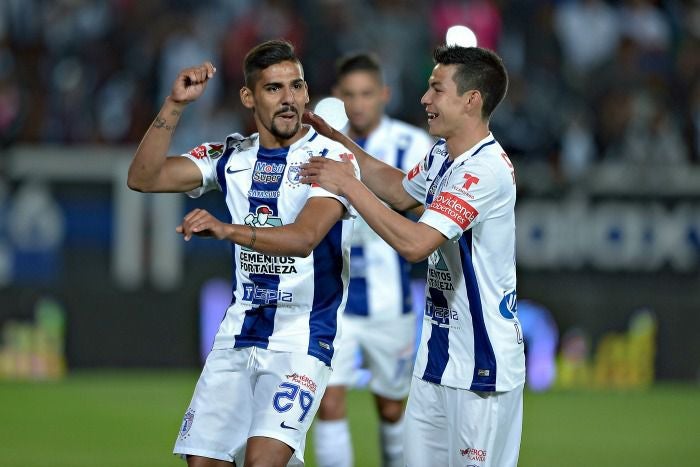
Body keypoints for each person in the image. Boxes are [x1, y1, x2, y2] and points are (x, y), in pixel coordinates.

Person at [127, 39, 359, 467]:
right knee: (203, 463)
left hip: (302, 340)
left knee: (261, 461)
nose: (288, 99)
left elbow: (306, 237)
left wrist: (227, 229)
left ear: (308, 93)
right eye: (274, 89)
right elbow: (144, 178)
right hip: (237, 336)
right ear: (249, 97)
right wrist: (175, 105)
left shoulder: (331, 157)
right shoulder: (231, 157)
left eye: (296, 86)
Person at [302, 45, 525, 467]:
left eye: (436, 89)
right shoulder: (446, 154)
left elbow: (415, 244)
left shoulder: (484, 171)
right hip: (436, 362)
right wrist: (341, 145)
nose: (425, 99)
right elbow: (400, 189)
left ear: (471, 100)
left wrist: (348, 186)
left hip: (482, 367)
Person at [312, 52, 433, 467]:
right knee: (329, 402)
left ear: (384, 95)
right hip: (334, 301)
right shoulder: (317, 142)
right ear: (335, 97)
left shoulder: (413, 144)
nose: (358, 104)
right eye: (349, 95)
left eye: (366, 94)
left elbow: (427, 213)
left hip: (390, 302)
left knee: (392, 408)